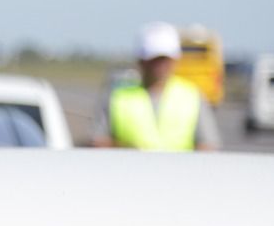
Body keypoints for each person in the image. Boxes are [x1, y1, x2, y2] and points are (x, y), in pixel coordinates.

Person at [93, 21, 220, 150]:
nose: (159, 65)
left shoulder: (192, 96)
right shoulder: (117, 95)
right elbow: (99, 141)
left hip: (179, 170)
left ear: (174, 59)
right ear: (141, 60)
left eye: (164, 59)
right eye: (154, 59)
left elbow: (207, 145)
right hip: (129, 169)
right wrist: (128, 150)